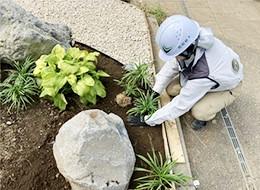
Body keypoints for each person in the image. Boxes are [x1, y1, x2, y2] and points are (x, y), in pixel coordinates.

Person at [128, 15, 243, 130]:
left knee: (199, 111)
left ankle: (207, 112)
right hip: (212, 75)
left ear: (187, 52)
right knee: (170, 90)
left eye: (176, 55)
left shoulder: (204, 72)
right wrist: (155, 91)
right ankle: (200, 94)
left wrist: (149, 120)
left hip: (229, 87)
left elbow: (181, 105)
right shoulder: (192, 38)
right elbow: (171, 66)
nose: (174, 58)